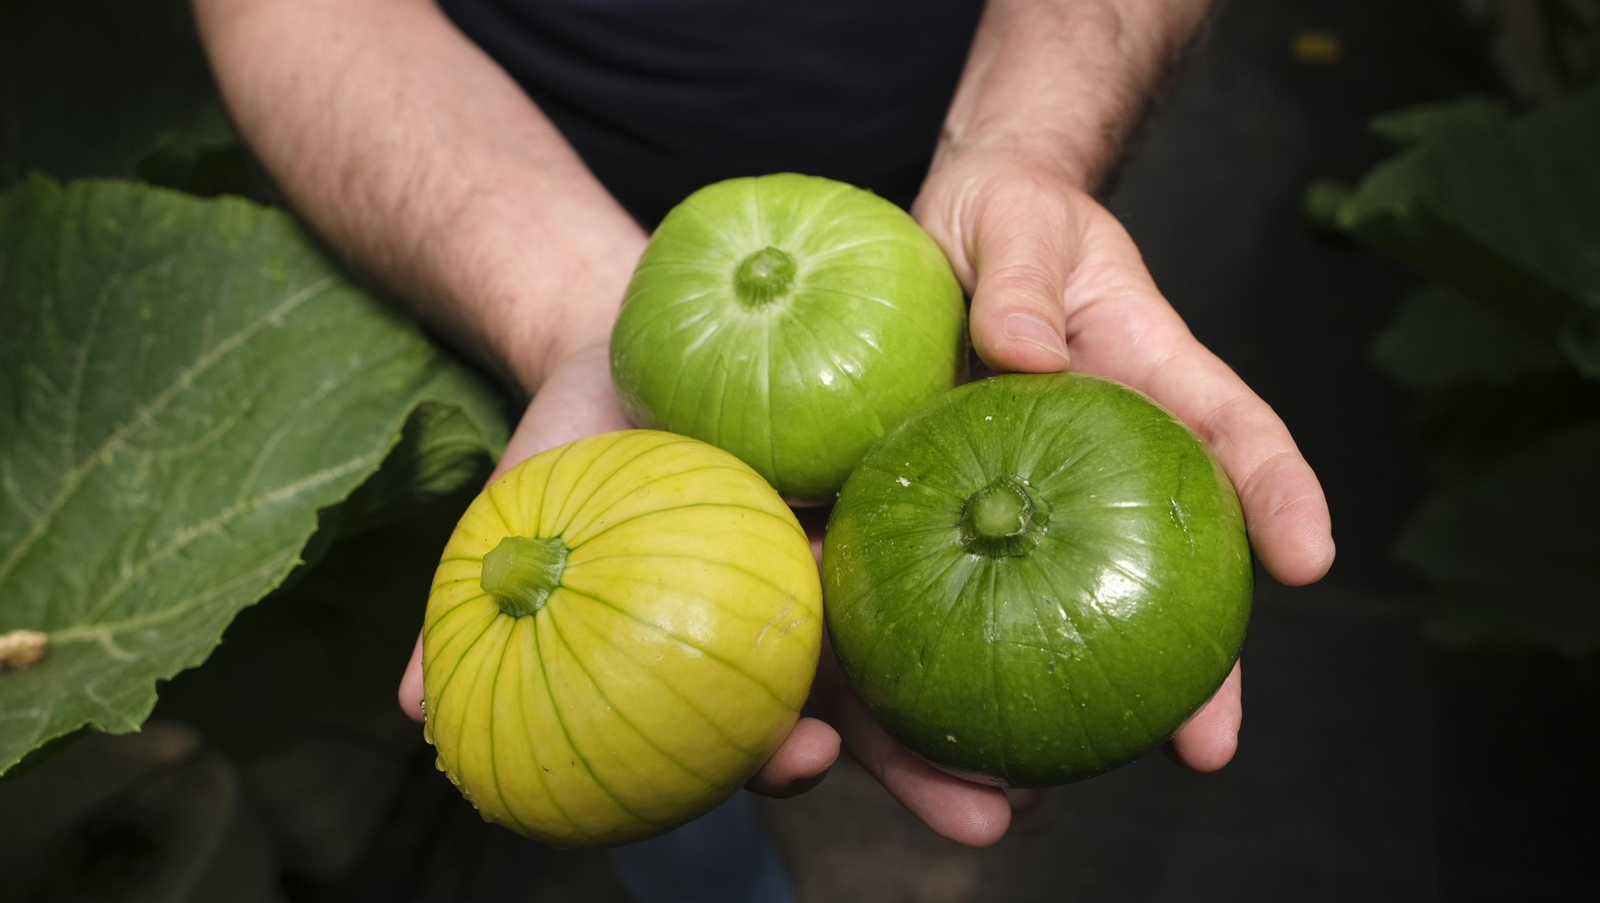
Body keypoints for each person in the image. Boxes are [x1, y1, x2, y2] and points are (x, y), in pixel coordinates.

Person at [193, 0, 1334, 895]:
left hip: (954, 234)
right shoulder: (614, 371)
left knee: (674, 738)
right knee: (660, 767)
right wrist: (568, 317)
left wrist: (1022, 147)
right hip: (528, 249)